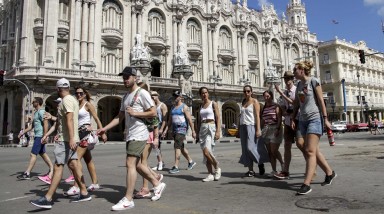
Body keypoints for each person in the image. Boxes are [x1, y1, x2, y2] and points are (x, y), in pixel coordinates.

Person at [97, 67, 166, 211]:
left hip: (139, 133)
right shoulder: (125, 97)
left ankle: (128, 199)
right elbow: (119, 117)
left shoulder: (143, 93)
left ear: (135, 78)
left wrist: (136, 113)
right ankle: (157, 183)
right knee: (139, 165)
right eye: (124, 77)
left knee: (130, 163)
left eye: (128, 77)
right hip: (130, 133)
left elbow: (153, 112)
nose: (125, 79)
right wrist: (105, 128)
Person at [30, 78, 91, 209]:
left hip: (65, 139)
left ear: (58, 89)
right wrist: (48, 131)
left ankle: (48, 198)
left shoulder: (67, 100)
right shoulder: (72, 100)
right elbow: (62, 120)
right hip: (70, 138)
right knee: (74, 164)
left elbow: (69, 120)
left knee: (58, 166)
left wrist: (72, 138)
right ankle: (84, 192)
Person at [291, 61, 337, 195]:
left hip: (314, 119)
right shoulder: (299, 85)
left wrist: (325, 119)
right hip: (303, 120)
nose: (294, 72)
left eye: (295, 69)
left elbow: (321, 101)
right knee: (314, 151)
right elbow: (297, 104)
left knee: (309, 150)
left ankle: (306, 184)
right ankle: (329, 173)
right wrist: (294, 118)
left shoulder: (314, 81)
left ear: (302, 70)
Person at [63, 86, 108, 195]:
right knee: (88, 160)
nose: (78, 95)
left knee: (75, 160)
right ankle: (95, 183)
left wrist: (103, 132)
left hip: (86, 134)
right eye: (77, 93)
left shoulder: (88, 105)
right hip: (78, 133)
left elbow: (96, 118)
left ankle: (77, 186)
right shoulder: (75, 105)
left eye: (81, 93)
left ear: (84, 94)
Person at [133, 84, 164, 199]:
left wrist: (156, 137)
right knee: (140, 162)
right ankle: (156, 175)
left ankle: (146, 188)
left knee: (142, 162)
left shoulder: (147, 101)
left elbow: (155, 119)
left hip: (147, 134)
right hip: (140, 134)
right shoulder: (139, 100)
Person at [274, 71, 306, 180]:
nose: (287, 81)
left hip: (297, 120)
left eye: (289, 78)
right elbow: (282, 106)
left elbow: (294, 103)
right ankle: (285, 171)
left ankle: (310, 165)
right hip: (287, 121)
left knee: (300, 144)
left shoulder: (297, 90)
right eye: (285, 79)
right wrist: (283, 111)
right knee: (287, 146)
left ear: (293, 79)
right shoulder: (284, 92)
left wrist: (280, 93)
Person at [17, 97, 53, 181]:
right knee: (42, 153)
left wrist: (45, 136)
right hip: (38, 135)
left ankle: (27, 173)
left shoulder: (41, 112)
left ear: (38, 102)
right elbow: (32, 126)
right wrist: (22, 132)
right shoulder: (36, 113)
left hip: (40, 136)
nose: (32, 103)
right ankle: (52, 168)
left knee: (33, 154)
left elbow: (45, 123)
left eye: (33, 102)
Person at [163, 90, 197, 174]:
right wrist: (165, 130)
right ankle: (191, 161)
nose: (175, 98)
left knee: (177, 147)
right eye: (174, 96)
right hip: (174, 130)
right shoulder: (173, 108)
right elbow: (170, 121)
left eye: (177, 96)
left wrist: (193, 131)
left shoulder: (184, 107)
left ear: (180, 97)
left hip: (181, 129)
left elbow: (189, 119)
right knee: (181, 147)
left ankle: (176, 166)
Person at [238, 85, 269, 177]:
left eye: (248, 91)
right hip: (243, 126)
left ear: (251, 92)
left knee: (250, 148)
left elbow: (257, 116)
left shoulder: (255, 101)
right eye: (244, 91)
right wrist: (239, 129)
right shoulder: (243, 102)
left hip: (251, 125)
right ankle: (251, 170)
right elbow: (241, 116)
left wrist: (258, 129)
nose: (246, 93)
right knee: (245, 150)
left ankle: (260, 163)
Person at [197, 87, 221, 182]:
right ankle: (210, 174)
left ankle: (217, 167)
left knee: (207, 152)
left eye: (206, 92)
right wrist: (196, 131)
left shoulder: (213, 104)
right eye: (202, 93)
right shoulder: (201, 105)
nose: (204, 94)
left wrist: (218, 131)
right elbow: (199, 120)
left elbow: (218, 118)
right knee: (205, 153)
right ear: (200, 95)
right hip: (202, 128)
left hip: (210, 127)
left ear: (208, 93)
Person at [261, 90, 284, 177]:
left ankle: (282, 163)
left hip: (275, 128)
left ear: (271, 96)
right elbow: (263, 119)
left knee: (274, 150)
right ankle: (274, 170)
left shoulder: (276, 106)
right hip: (266, 129)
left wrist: (278, 128)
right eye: (265, 96)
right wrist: (260, 129)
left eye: (268, 96)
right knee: (270, 152)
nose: (266, 98)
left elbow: (279, 118)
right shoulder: (264, 107)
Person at [150, 91, 167, 171]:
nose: (152, 96)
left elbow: (164, 119)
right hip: (153, 127)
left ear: (158, 96)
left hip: (159, 126)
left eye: (154, 95)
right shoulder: (152, 106)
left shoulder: (162, 105)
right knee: (155, 146)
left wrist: (162, 129)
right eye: (151, 95)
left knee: (156, 145)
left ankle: (160, 162)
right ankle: (160, 162)